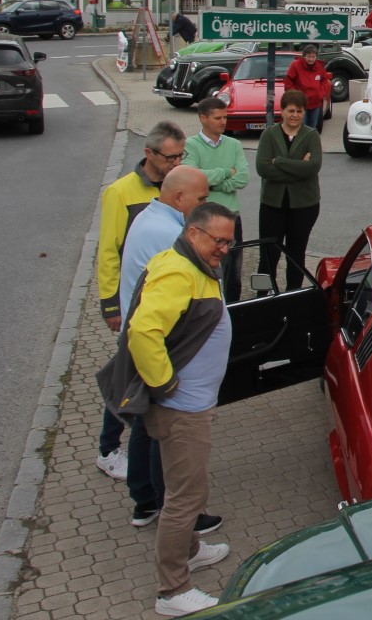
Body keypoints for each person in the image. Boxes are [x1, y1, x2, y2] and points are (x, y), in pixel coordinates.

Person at [112, 202, 235, 616]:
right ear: (193, 233)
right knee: (186, 498)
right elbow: (143, 331)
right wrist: (165, 382)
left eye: (229, 242)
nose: (224, 248)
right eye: (218, 240)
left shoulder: (190, 263)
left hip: (190, 405)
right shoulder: (178, 271)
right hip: (183, 410)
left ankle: (193, 551)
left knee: (183, 489)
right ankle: (172, 590)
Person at [117, 166, 219, 534]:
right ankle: (166, 507)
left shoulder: (149, 215)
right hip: (160, 349)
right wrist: (166, 383)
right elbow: (151, 323)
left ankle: (145, 498)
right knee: (161, 435)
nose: (206, 204)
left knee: (146, 426)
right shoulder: (170, 234)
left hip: (149, 341)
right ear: (180, 199)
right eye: (202, 198)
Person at [95, 122, 186, 481]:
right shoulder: (121, 193)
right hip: (134, 308)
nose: (176, 163)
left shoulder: (174, 188)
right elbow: (108, 252)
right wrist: (111, 306)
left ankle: (137, 443)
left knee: (133, 377)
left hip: (162, 308)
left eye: (181, 155)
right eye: (170, 157)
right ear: (149, 154)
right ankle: (108, 448)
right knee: (127, 380)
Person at [179, 98, 250, 304]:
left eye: (225, 117)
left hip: (231, 216)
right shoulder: (191, 145)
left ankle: (232, 309)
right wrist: (226, 172)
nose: (223, 122)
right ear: (203, 118)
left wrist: (214, 184)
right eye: (218, 118)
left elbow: (243, 178)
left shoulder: (234, 145)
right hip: (203, 219)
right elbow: (193, 177)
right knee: (202, 267)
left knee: (233, 271)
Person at [255, 90, 322, 294]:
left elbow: (313, 167)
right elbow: (262, 168)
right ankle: (260, 295)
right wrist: (298, 168)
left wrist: (280, 162)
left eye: (299, 111)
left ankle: (293, 294)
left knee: (296, 253)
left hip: (304, 206)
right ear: (282, 111)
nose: (295, 115)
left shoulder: (311, 135)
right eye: (290, 110)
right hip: (272, 205)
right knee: (268, 254)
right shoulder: (269, 134)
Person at [283, 44, 332, 130]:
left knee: (312, 128)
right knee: (301, 128)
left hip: (316, 103)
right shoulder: (296, 65)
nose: (311, 59)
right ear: (304, 56)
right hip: (300, 104)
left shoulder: (319, 67)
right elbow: (288, 82)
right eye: (309, 57)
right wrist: (295, 96)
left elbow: (324, 80)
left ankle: (310, 143)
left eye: (313, 57)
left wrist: (320, 93)